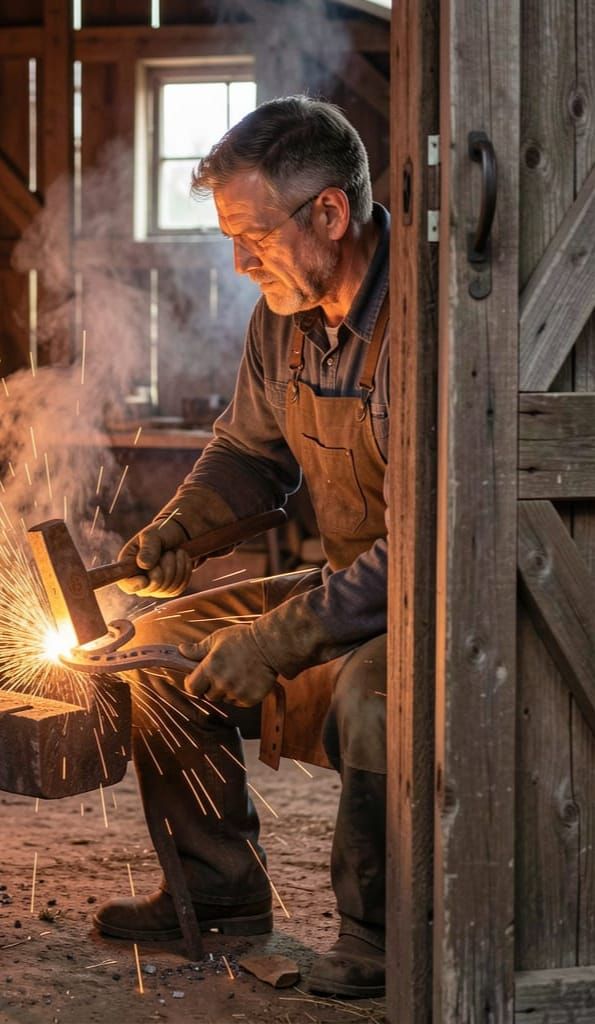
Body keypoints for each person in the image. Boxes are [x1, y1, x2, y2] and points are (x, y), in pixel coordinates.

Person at [94, 95, 389, 1000]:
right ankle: (218, 890)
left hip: (435, 601)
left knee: (384, 700)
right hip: (349, 583)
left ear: (329, 214)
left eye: (252, 235)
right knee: (151, 646)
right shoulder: (282, 323)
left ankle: (380, 934)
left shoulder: (423, 325)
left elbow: (426, 546)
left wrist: (273, 643)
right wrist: (184, 524)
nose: (236, 261)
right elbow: (245, 453)